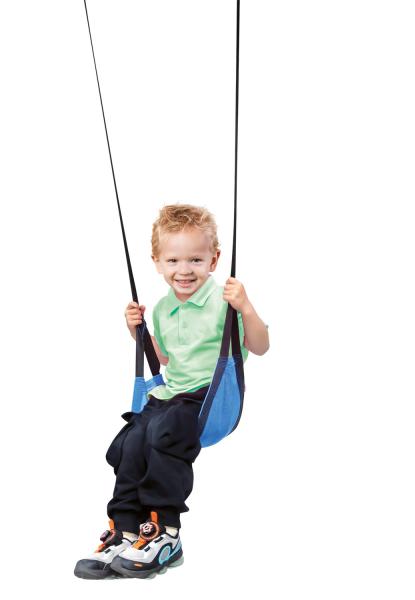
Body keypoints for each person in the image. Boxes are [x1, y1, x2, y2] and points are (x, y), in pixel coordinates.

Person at [74, 204, 270, 579]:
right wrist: (136, 331)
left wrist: (245, 307)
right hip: (171, 394)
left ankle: (164, 532)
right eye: (173, 260)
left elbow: (260, 346)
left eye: (196, 259)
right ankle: (126, 530)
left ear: (214, 260)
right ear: (157, 262)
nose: (184, 270)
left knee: (165, 433)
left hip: (208, 397)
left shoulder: (224, 302)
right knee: (131, 440)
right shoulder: (163, 309)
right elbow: (162, 359)